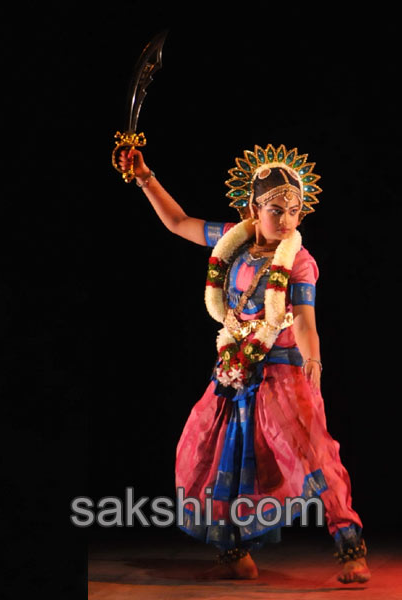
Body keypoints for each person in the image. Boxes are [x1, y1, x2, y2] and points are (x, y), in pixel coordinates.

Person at [118, 145, 370, 584]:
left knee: (312, 453)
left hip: (283, 368)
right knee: (214, 452)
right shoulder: (232, 240)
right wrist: (144, 177)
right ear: (254, 208)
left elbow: (306, 321)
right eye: (276, 210)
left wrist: (314, 359)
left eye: (295, 210)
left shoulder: (299, 261)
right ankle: (233, 551)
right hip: (235, 369)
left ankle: (350, 545)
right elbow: (179, 223)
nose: (287, 220)